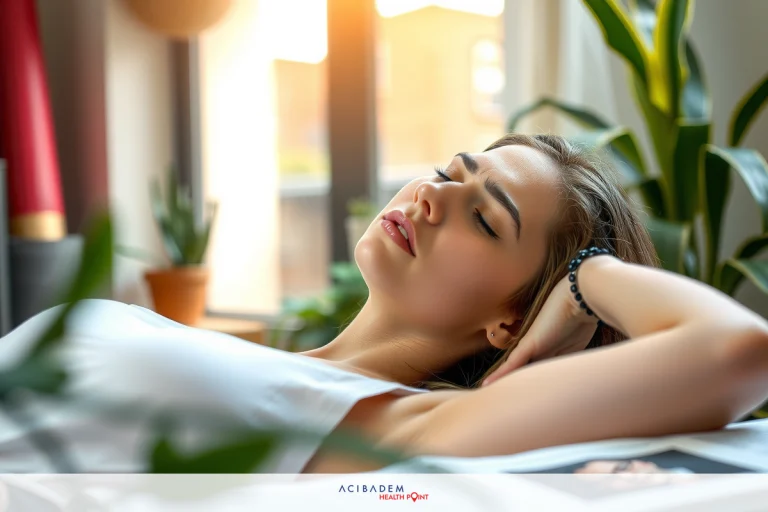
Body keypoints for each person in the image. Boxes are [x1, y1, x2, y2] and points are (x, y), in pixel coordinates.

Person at [2, 134, 767, 475]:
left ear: (510, 319)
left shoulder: (398, 424)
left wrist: (585, 277)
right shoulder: (265, 360)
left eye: (483, 216)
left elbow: (738, 348)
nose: (432, 196)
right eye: (448, 172)